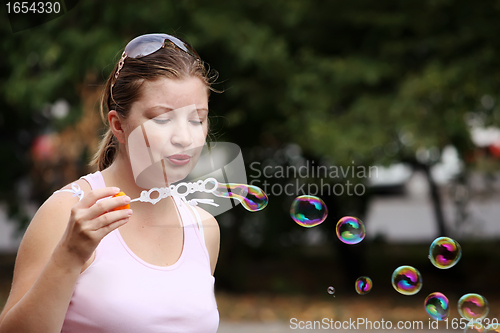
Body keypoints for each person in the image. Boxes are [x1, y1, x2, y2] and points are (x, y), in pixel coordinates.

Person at [0, 33, 220, 333]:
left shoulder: (204, 229)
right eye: (162, 119)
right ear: (118, 125)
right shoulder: (67, 212)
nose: (184, 137)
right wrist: (69, 254)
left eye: (197, 119)